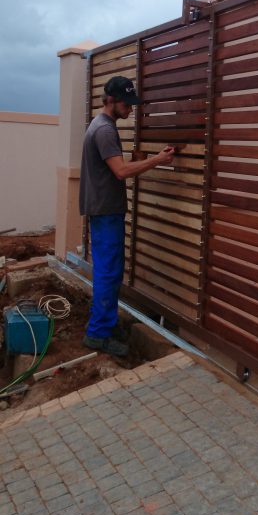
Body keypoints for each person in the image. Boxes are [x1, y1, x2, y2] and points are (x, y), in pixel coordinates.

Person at [79, 75, 175, 358]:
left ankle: (105, 325)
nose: (131, 110)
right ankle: (97, 334)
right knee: (108, 273)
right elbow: (120, 171)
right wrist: (156, 160)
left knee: (109, 271)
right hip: (106, 211)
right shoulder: (104, 131)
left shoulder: (101, 125)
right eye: (127, 104)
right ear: (112, 100)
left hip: (104, 210)